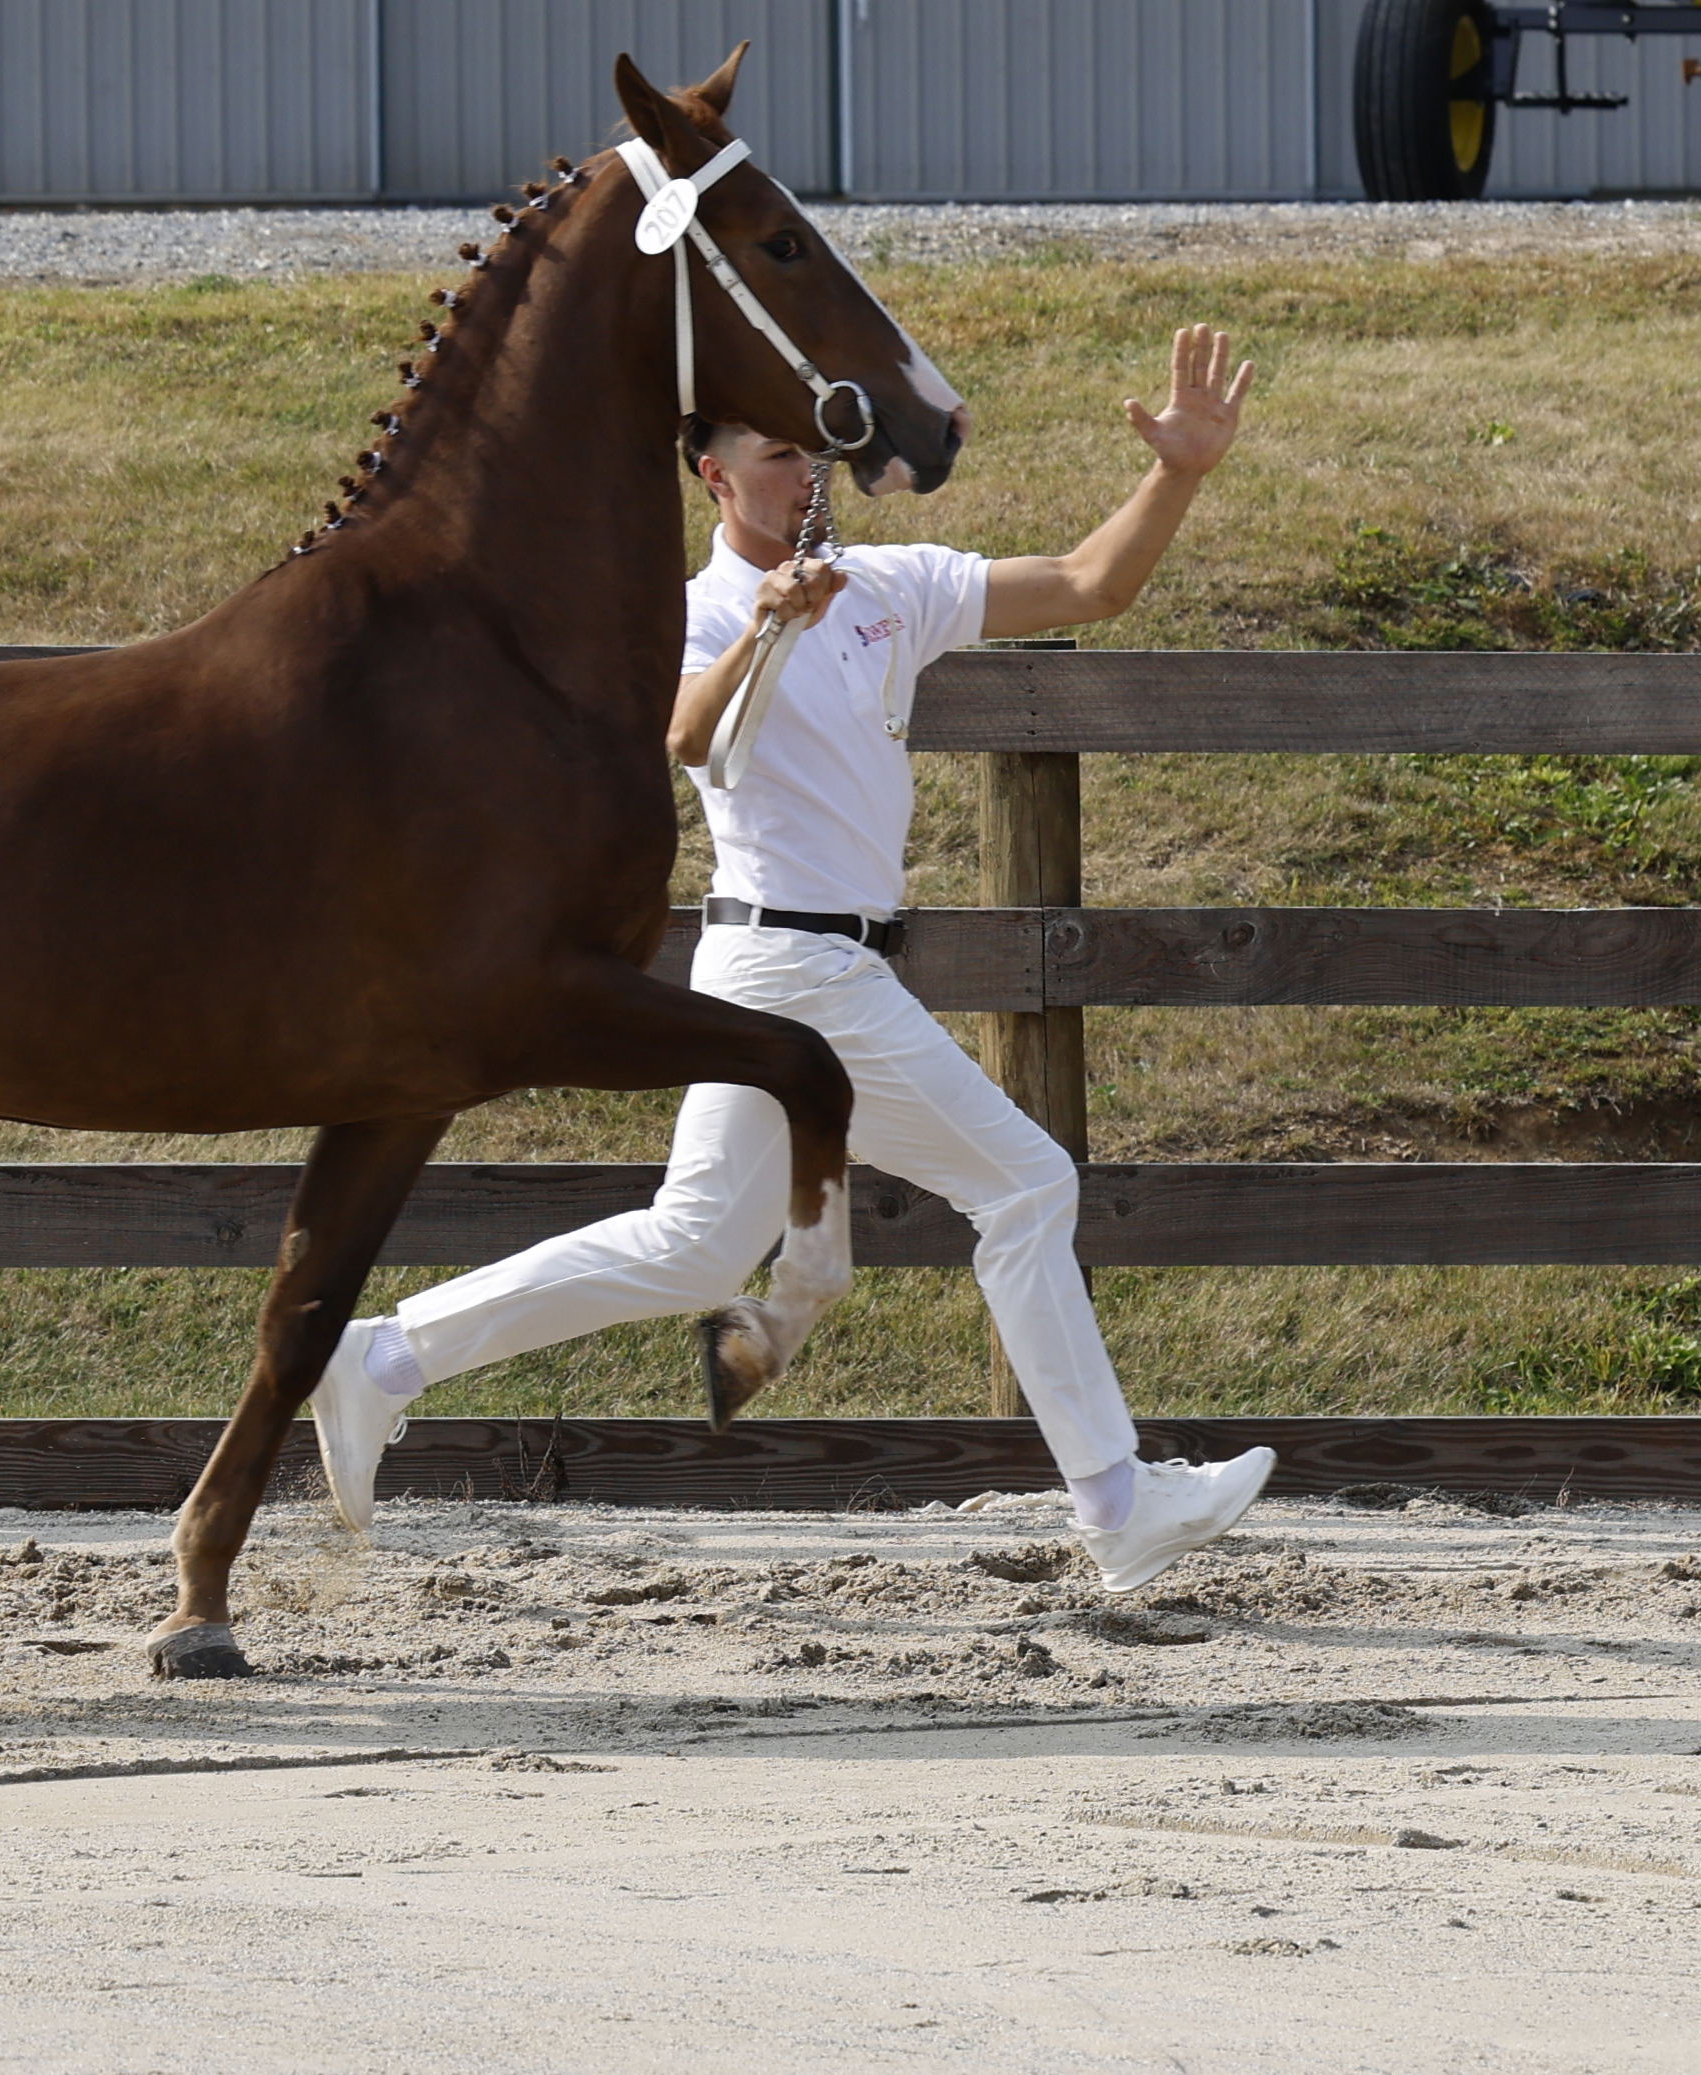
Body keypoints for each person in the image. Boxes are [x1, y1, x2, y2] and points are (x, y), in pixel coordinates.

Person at [311, 324, 1270, 1593]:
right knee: (1027, 1188)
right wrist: (765, 627)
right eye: (772, 453)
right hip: (795, 972)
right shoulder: (692, 608)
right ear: (711, 475)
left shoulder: (896, 587)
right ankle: (1115, 1502)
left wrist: (1180, 474)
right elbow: (689, 741)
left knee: (696, 1250)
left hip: (804, 971)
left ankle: (379, 1359)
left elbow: (1093, 585)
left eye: (813, 447)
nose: (803, 470)